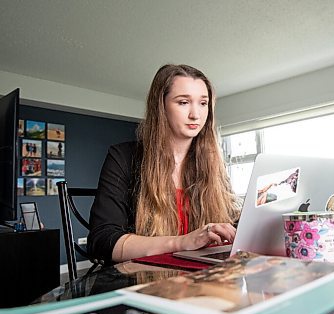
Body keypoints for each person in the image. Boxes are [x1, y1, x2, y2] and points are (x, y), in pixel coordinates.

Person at [88, 64, 241, 264]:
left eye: (203, 103)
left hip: (204, 282)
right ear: (161, 107)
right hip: (146, 280)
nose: (196, 114)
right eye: (184, 102)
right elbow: (101, 241)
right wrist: (181, 242)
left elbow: (230, 224)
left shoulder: (213, 165)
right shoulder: (123, 157)